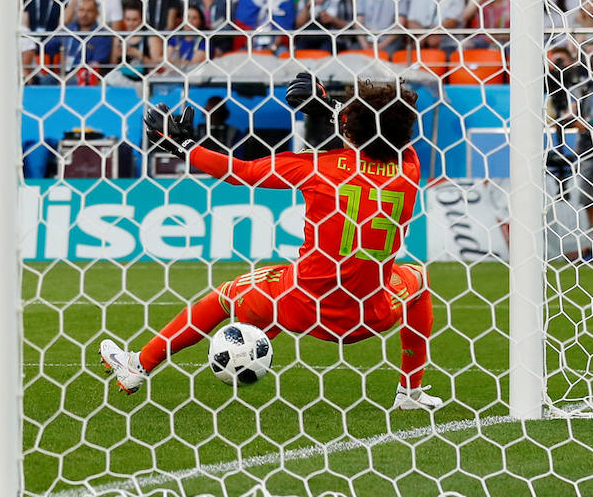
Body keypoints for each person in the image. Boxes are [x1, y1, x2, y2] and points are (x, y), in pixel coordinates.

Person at [100, 73, 443, 411]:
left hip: (301, 305)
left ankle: (138, 365)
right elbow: (379, 132)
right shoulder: (410, 167)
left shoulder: (320, 169)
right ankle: (409, 392)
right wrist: (331, 107)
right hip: (369, 315)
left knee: (227, 295)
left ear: (351, 129)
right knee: (419, 280)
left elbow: (242, 172)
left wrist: (183, 146)